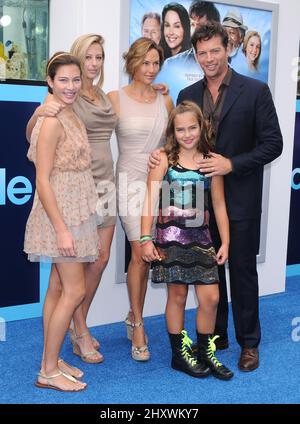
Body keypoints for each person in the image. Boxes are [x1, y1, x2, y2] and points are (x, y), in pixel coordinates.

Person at [150, 22, 283, 371]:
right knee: (210, 275)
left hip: (238, 200)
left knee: (241, 272)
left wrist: (231, 164)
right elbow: (176, 141)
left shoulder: (255, 91)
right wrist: (158, 156)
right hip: (193, 207)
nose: (209, 58)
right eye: (203, 52)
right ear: (197, 54)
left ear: (229, 49)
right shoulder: (187, 95)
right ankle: (217, 335)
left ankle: (249, 343)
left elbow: (274, 144)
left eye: (215, 51)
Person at [26, 34, 117, 364]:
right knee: (70, 286)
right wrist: (38, 112)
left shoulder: (86, 103)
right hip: (67, 203)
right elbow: (39, 159)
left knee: (69, 280)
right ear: (51, 81)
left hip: (90, 196)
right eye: (63, 79)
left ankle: (54, 356)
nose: (71, 85)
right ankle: (55, 358)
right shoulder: (57, 108)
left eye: (99, 58)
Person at [141, 100, 233, 380]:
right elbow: (149, 201)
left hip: (202, 239)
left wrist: (225, 242)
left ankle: (206, 352)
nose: (187, 134)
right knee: (177, 296)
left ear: (202, 127)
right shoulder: (164, 161)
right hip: (169, 241)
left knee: (212, 298)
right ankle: (179, 355)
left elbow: (218, 204)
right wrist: (146, 239)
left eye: (192, 127)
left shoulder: (210, 161)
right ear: (173, 131)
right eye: (181, 129)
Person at [108, 38, 173, 361]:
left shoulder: (166, 99)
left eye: (154, 63)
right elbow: (94, 135)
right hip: (129, 183)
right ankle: (138, 323)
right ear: (132, 62)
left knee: (147, 256)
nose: (150, 69)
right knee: (140, 250)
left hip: (158, 185)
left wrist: (165, 155)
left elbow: (176, 141)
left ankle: (133, 315)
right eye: (144, 62)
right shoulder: (115, 99)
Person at [155, 1, 220, 102]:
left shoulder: (226, 68)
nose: (196, 31)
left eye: (202, 26)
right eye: (193, 24)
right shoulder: (170, 64)